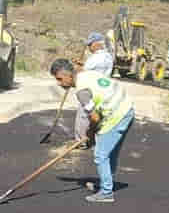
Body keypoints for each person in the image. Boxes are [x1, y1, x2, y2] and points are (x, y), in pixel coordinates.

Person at [50, 58, 134, 203]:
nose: (59, 83)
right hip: (127, 108)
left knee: (101, 155)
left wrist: (90, 133)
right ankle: (107, 184)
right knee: (110, 152)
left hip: (116, 115)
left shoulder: (82, 92)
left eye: (59, 79)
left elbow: (94, 118)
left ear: (68, 75)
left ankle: (106, 192)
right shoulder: (86, 74)